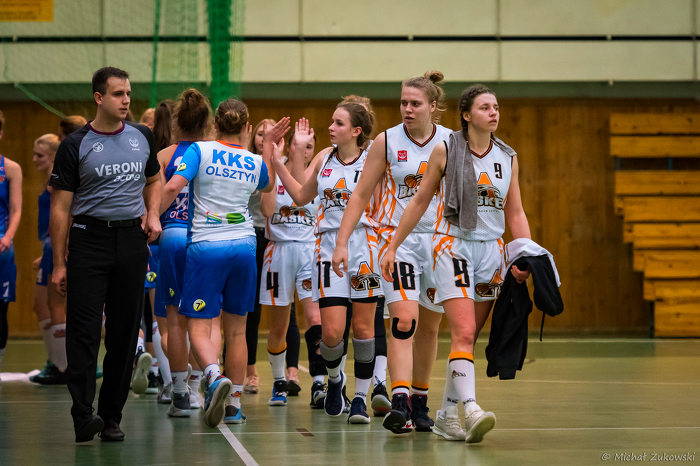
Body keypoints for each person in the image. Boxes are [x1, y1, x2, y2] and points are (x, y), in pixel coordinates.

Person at [382, 84, 531, 443]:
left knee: (468, 338)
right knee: (462, 331)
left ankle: (446, 415)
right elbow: (419, 201)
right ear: (466, 115)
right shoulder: (446, 149)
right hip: (453, 245)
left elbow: (515, 212)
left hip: (491, 251)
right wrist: (392, 246)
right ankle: (472, 408)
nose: (493, 113)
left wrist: (525, 253)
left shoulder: (508, 156)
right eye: (485, 107)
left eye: (496, 107)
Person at [332, 71, 452, 433]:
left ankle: (420, 402)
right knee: (403, 322)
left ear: (433, 106)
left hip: (440, 242)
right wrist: (342, 241)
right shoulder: (387, 141)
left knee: (429, 328)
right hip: (396, 243)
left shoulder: (451, 141)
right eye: (403, 102)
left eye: (415, 103)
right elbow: (360, 194)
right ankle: (399, 401)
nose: (407, 109)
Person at [50, 67, 162, 443]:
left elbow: (154, 180)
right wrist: (59, 263)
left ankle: (111, 417)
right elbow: (61, 208)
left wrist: (153, 213)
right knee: (83, 333)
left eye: (128, 93)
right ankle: (83, 415)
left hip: (131, 241)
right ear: (99, 98)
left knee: (124, 334)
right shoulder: (75, 144)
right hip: (88, 240)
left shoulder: (142, 136)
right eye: (117, 94)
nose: (126, 100)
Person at [160, 99, 281, 428]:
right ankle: (235, 406)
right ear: (247, 127)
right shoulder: (255, 162)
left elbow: (172, 186)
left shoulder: (199, 150)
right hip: (245, 246)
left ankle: (213, 376)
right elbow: (268, 186)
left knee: (198, 325)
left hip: (206, 246)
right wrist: (264, 149)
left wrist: (150, 216)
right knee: (238, 330)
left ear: (215, 124)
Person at [271, 102, 380, 423]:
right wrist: (278, 162)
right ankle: (335, 380)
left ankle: (359, 398)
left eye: (339, 123)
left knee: (363, 329)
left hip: (365, 246)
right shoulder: (324, 158)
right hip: (328, 246)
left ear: (356, 131)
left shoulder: (373, 157)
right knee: (331, 333)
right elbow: (300, 196)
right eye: (332, 121)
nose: (331, 127)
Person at [156, 89, 222, 418]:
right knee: (208, 321)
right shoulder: (215, 154)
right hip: (206, 239)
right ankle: (201, 384)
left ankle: (180, 394)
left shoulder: (164, 156)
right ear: (208, 123)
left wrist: (149, 220)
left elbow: (154, 197)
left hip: (171, 236)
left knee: (174, 322)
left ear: (176, 123)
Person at [260, 119, 324, 407]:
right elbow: (267, 210)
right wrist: (271, 161)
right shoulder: (275, 170)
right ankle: (279, 382)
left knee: (315, 319)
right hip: (279, 252)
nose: (304, 150)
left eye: (309, 146)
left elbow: (302, 195)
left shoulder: (320, 175)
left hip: (310, 252)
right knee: (278, 326)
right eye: (299, 145)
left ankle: (320, 382)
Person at [30, 134, 68, 385]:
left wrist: (60, 251)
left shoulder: (59, 180)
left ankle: (63, 366)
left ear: (54, 156)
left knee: (55, 306)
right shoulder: (49, 180)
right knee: (40, 304)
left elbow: (64, 214)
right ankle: (56, 361)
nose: (34, 159)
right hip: (48, 246)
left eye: (40, 155)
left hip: (57, 248)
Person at [0, 110, 22, 378]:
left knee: (0, 310)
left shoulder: (11, 168)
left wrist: (7, 237)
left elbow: (16, 210)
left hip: (2, 249)